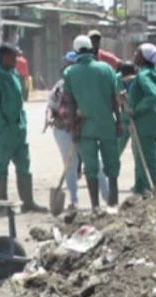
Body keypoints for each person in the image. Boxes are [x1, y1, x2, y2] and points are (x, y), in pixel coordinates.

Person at [0, 43, 47, 212]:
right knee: (0, 166)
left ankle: (28, 202)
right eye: (13, 57)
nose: (16, 60)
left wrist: (22, 122)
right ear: (4, 57)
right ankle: (2, 206)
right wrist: (3, 126)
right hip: (3, 132)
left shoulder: (13, 74)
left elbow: (19, 101)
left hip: (19, 129)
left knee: (24, 164)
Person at [63, 34, 122, 210]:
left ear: (76, 52)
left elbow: (71, 102)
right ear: (91, 49)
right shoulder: (107, 69)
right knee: (112, 165)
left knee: (90, 167)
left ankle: (95, 206)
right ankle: (113, 202)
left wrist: (73, 127)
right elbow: (114, 99)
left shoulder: (70, 72)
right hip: (106, 125)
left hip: (85, 127)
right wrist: (118, 122)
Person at [46, 51, 109, 210]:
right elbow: (51, 106)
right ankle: (73, 200)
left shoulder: (88, 86)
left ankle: (108, 198)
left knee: (97, 164)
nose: (69, 68)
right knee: (70, 165)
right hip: (63, 130)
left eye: (73, 65)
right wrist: (49, 118)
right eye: (67, 64)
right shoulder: (59, 86)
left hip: (86, 129)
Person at [126, 44, 156, 195]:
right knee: (141, 154)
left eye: (137, 53)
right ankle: (139, 188)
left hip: (146, 120)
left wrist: (135, 109)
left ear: (144, 57)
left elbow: (152, 95)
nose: (134, 55)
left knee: (146, 157)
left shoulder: (143, 75)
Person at [116, 62, 138, 157]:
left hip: (137, 116)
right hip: (124, 115)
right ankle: (110, 167)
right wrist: (120, 98)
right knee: (118, 144)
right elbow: (116, 99)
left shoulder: (139, 79)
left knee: (137, 147)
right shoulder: (117, 79)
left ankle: (139, 166)